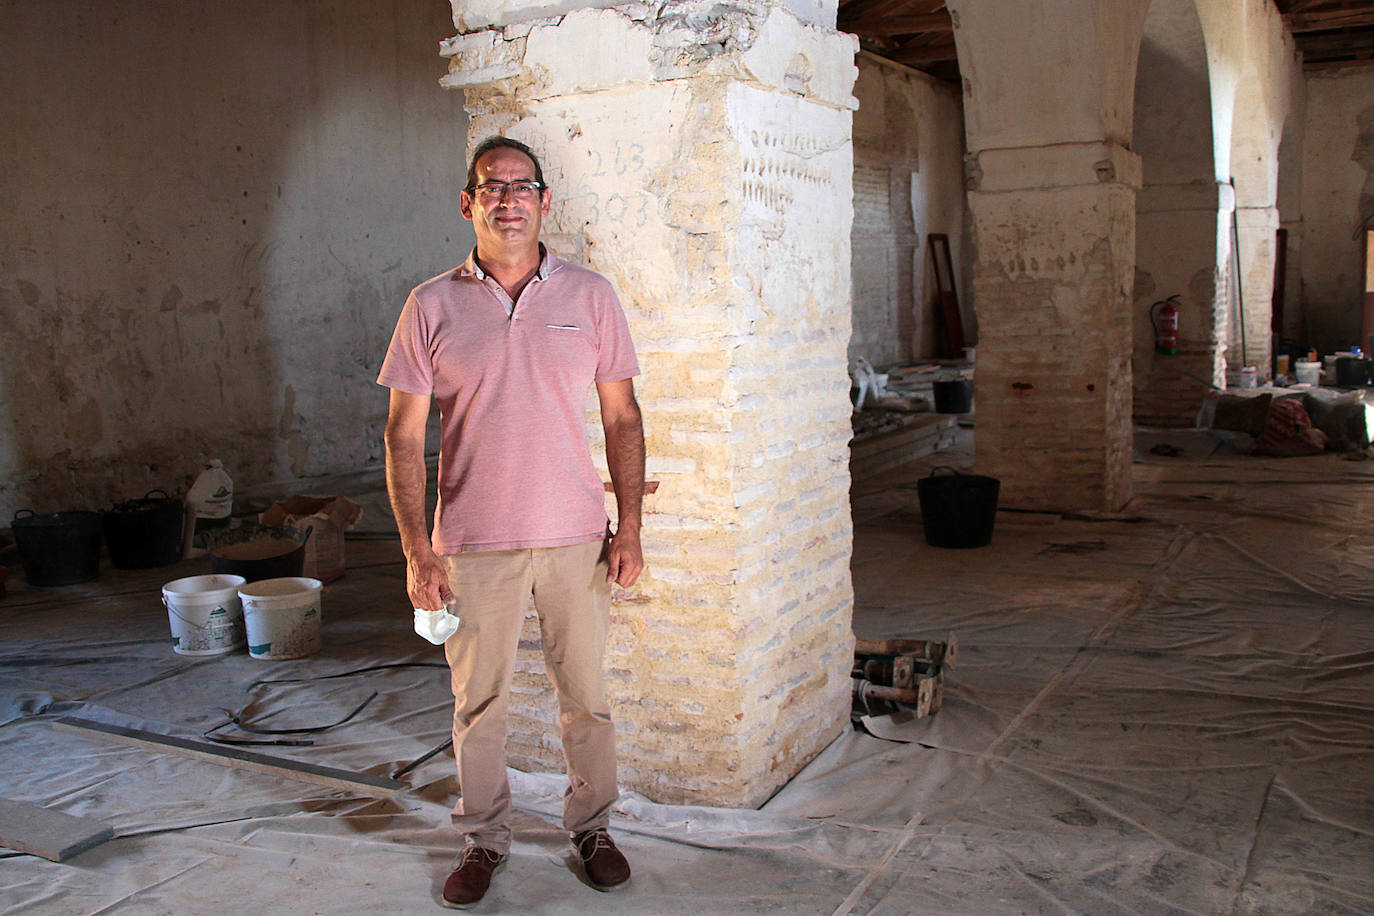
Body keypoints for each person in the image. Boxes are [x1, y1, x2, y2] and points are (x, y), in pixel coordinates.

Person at [378, 135, 645, 909]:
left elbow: (623, 417)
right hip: (472, 543)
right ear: (468, 202)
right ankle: (483, 840)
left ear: (544, 201)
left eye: (523, 186)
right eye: (491, 187)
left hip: (574, 539)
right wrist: (415, 549)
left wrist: (628, 528)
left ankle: (593, 827)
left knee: (586, 697)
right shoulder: (430, 305)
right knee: (479, 707)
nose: (508, 199)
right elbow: (402, 435)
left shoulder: (590, 297)